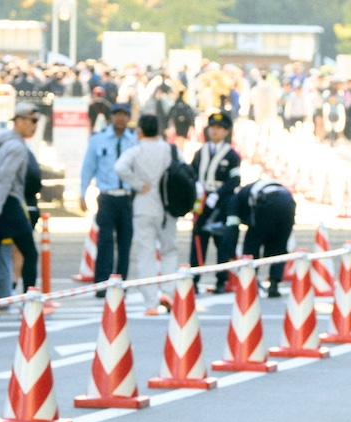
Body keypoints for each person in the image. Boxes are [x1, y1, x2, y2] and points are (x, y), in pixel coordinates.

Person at [115, 113, 179, 317]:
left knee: (146, 254)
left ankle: (150, 302)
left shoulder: (136, 150)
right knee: (169, 250)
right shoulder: (169, 149)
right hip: (167, 206)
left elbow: (119, 167)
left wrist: (137, 184)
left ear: (140, 131)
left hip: (143, 205)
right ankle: (168, 293)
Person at [0, 103, 41, 296]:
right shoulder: (16, 147)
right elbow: (4, 179)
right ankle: (30, 301)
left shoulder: (0, 142)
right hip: (7, 203)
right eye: (32, 121)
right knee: (30, 253)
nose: (35, 126)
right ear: (19, 121)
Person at [80, 104, 138, 284]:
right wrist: (82, 193)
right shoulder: (98, 140)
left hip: (127, 197)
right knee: (105, 241)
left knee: (125, 241)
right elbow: (88, 168)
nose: (120, 119)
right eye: (117, 115)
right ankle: (102, 282)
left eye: (124, 115)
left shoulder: (134, 141)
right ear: (111, 117)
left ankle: (121, 282)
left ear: (128, 118)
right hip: (107, 196)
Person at [190, 112, 241, 292]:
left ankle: (222, 280)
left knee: (222, 242)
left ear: (226, 132)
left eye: (219, 128)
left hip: (221, 203)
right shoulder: (200, 152)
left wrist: (218, 194)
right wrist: (196, 186)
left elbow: (235, 179)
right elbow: (192, 173)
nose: (215, 131)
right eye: (212, 127)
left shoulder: (232, 155)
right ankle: (194, 279)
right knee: (198, 240)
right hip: (202, 201)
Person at [227, 178, 297, 296]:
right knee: (280, 246)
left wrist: (230, 252)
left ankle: (250, 281)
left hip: (267, 201)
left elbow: (232, 229)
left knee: (251, 244)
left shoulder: (236, 199)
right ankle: (274, 284)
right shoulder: (250, 190)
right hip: (288, 202)